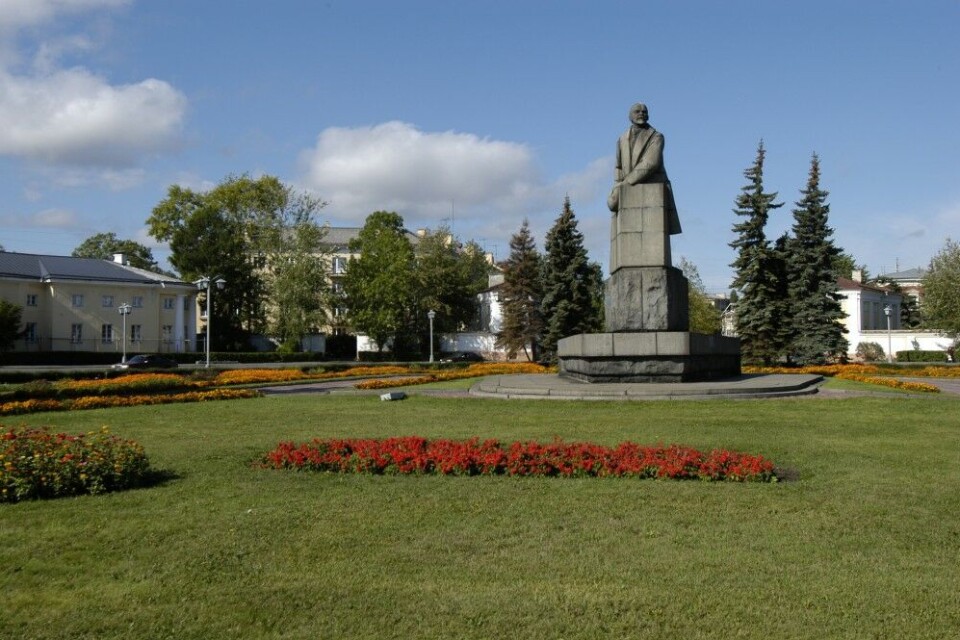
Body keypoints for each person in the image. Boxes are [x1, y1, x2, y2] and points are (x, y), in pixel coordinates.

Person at [607, 102, 680, 233]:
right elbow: (618, 167)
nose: (641, 114)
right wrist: (616, 187)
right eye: (637, 111)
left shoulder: (656, 136)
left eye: (644, 111)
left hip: (652, 186)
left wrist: (626, 183)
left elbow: (651, 163)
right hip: (626, 189)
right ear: (630, 116)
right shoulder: (622, 139)